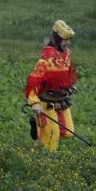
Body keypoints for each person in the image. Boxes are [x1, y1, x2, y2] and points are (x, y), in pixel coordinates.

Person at [25, 20, 79, 152]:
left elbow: (65, 73)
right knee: (51, 137)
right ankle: (46, 161)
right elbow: (34, 80)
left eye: (68, 40)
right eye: (64, 40)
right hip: (45, 100)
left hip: (60, 99)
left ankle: (37, 125)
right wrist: (34, 103)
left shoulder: (66, 53)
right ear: (56, 38)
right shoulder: (46, 58)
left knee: (68, 132)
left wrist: (69, 86)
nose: (67, 43)